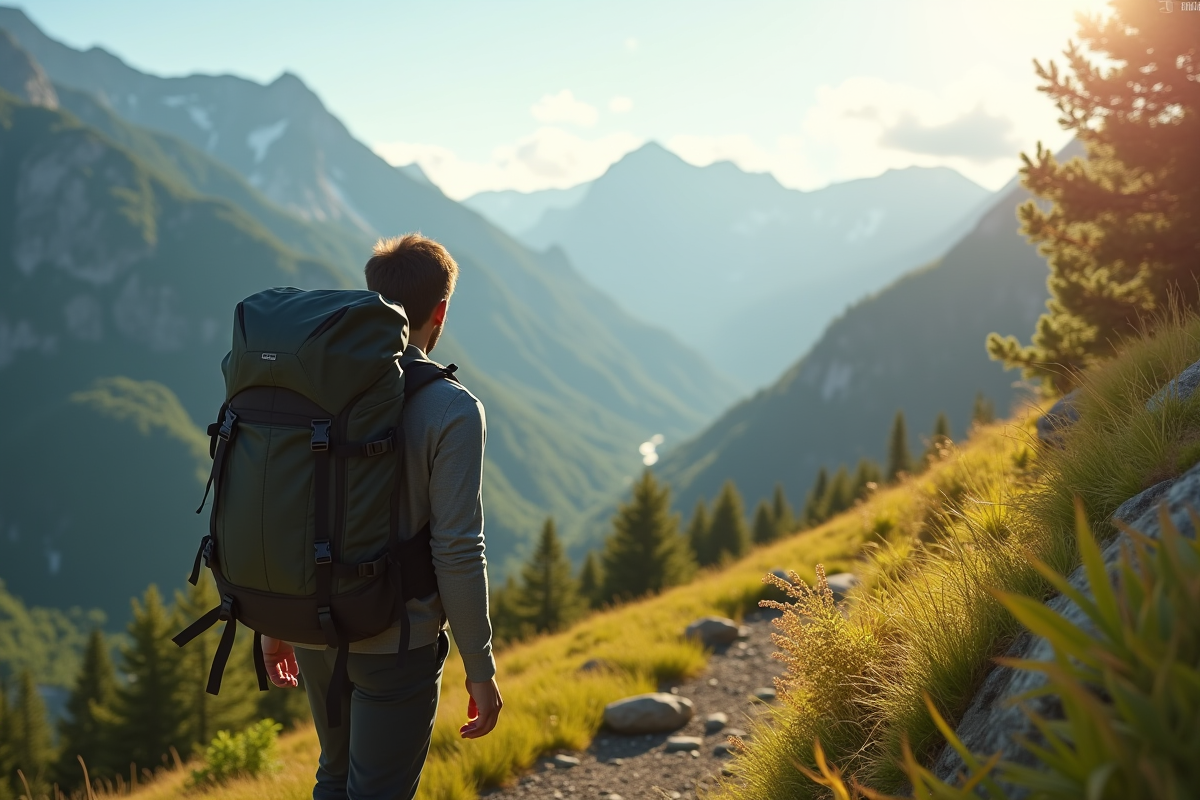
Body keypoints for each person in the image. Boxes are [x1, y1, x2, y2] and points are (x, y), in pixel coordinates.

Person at [260, 233, 502, 800]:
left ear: (374, 298)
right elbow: (457, 548)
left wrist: (277, 625)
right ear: (440, 312)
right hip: (397, 641)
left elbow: (288, 507)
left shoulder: (317, 384)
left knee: (333, 776)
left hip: (315, 622)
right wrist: (480, 667)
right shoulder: (452, 408)